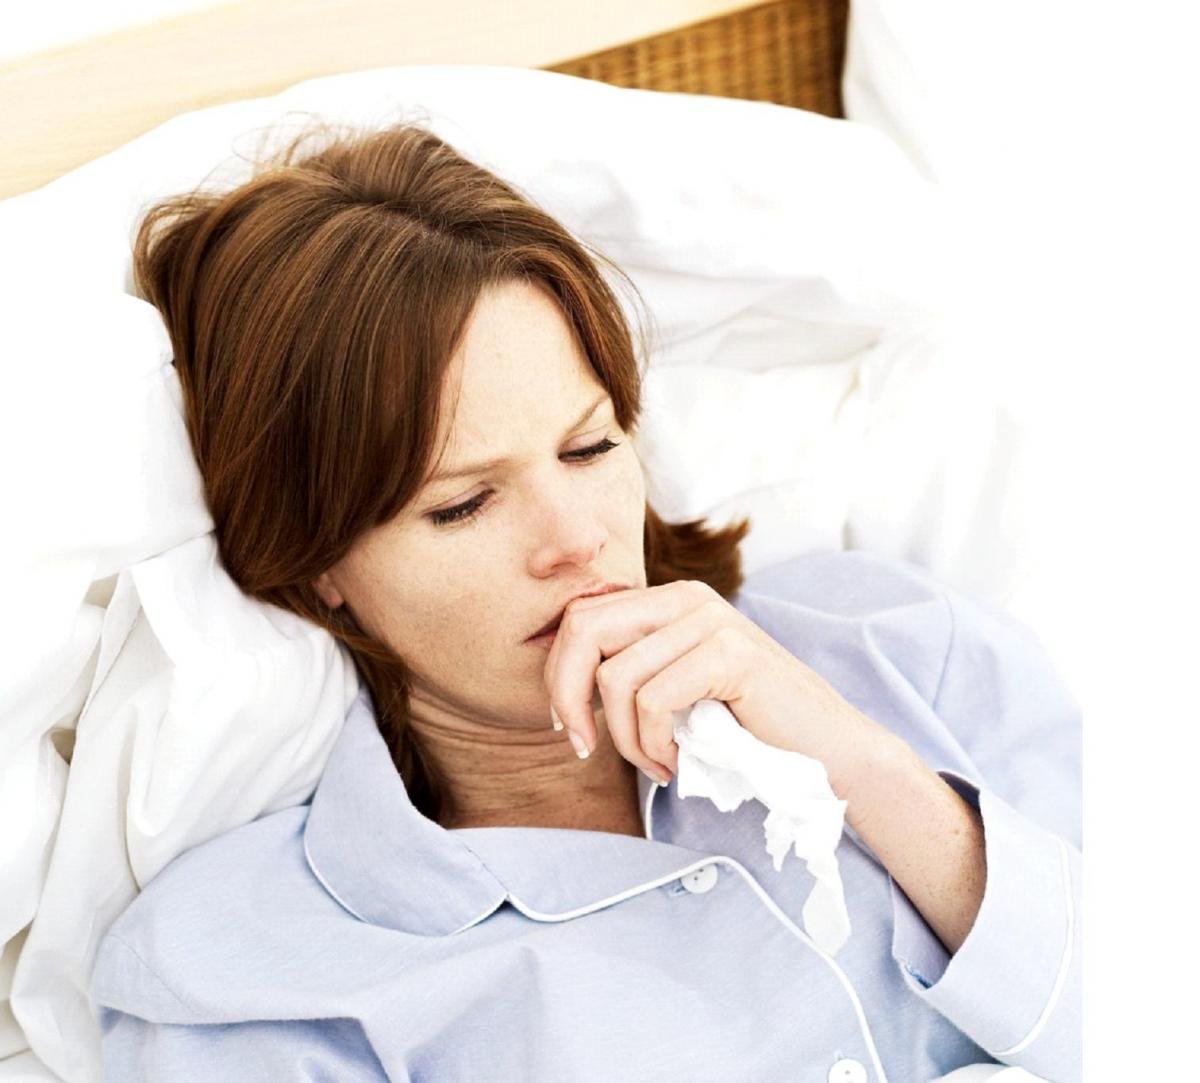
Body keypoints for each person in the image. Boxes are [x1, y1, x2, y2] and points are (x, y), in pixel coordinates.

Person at [89, 122, 1082, 1082]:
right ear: (319, 564)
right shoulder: (238, 976)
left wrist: (872, 775)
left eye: (589, 447)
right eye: (462, 504)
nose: (576, 539)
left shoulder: (900, 646)